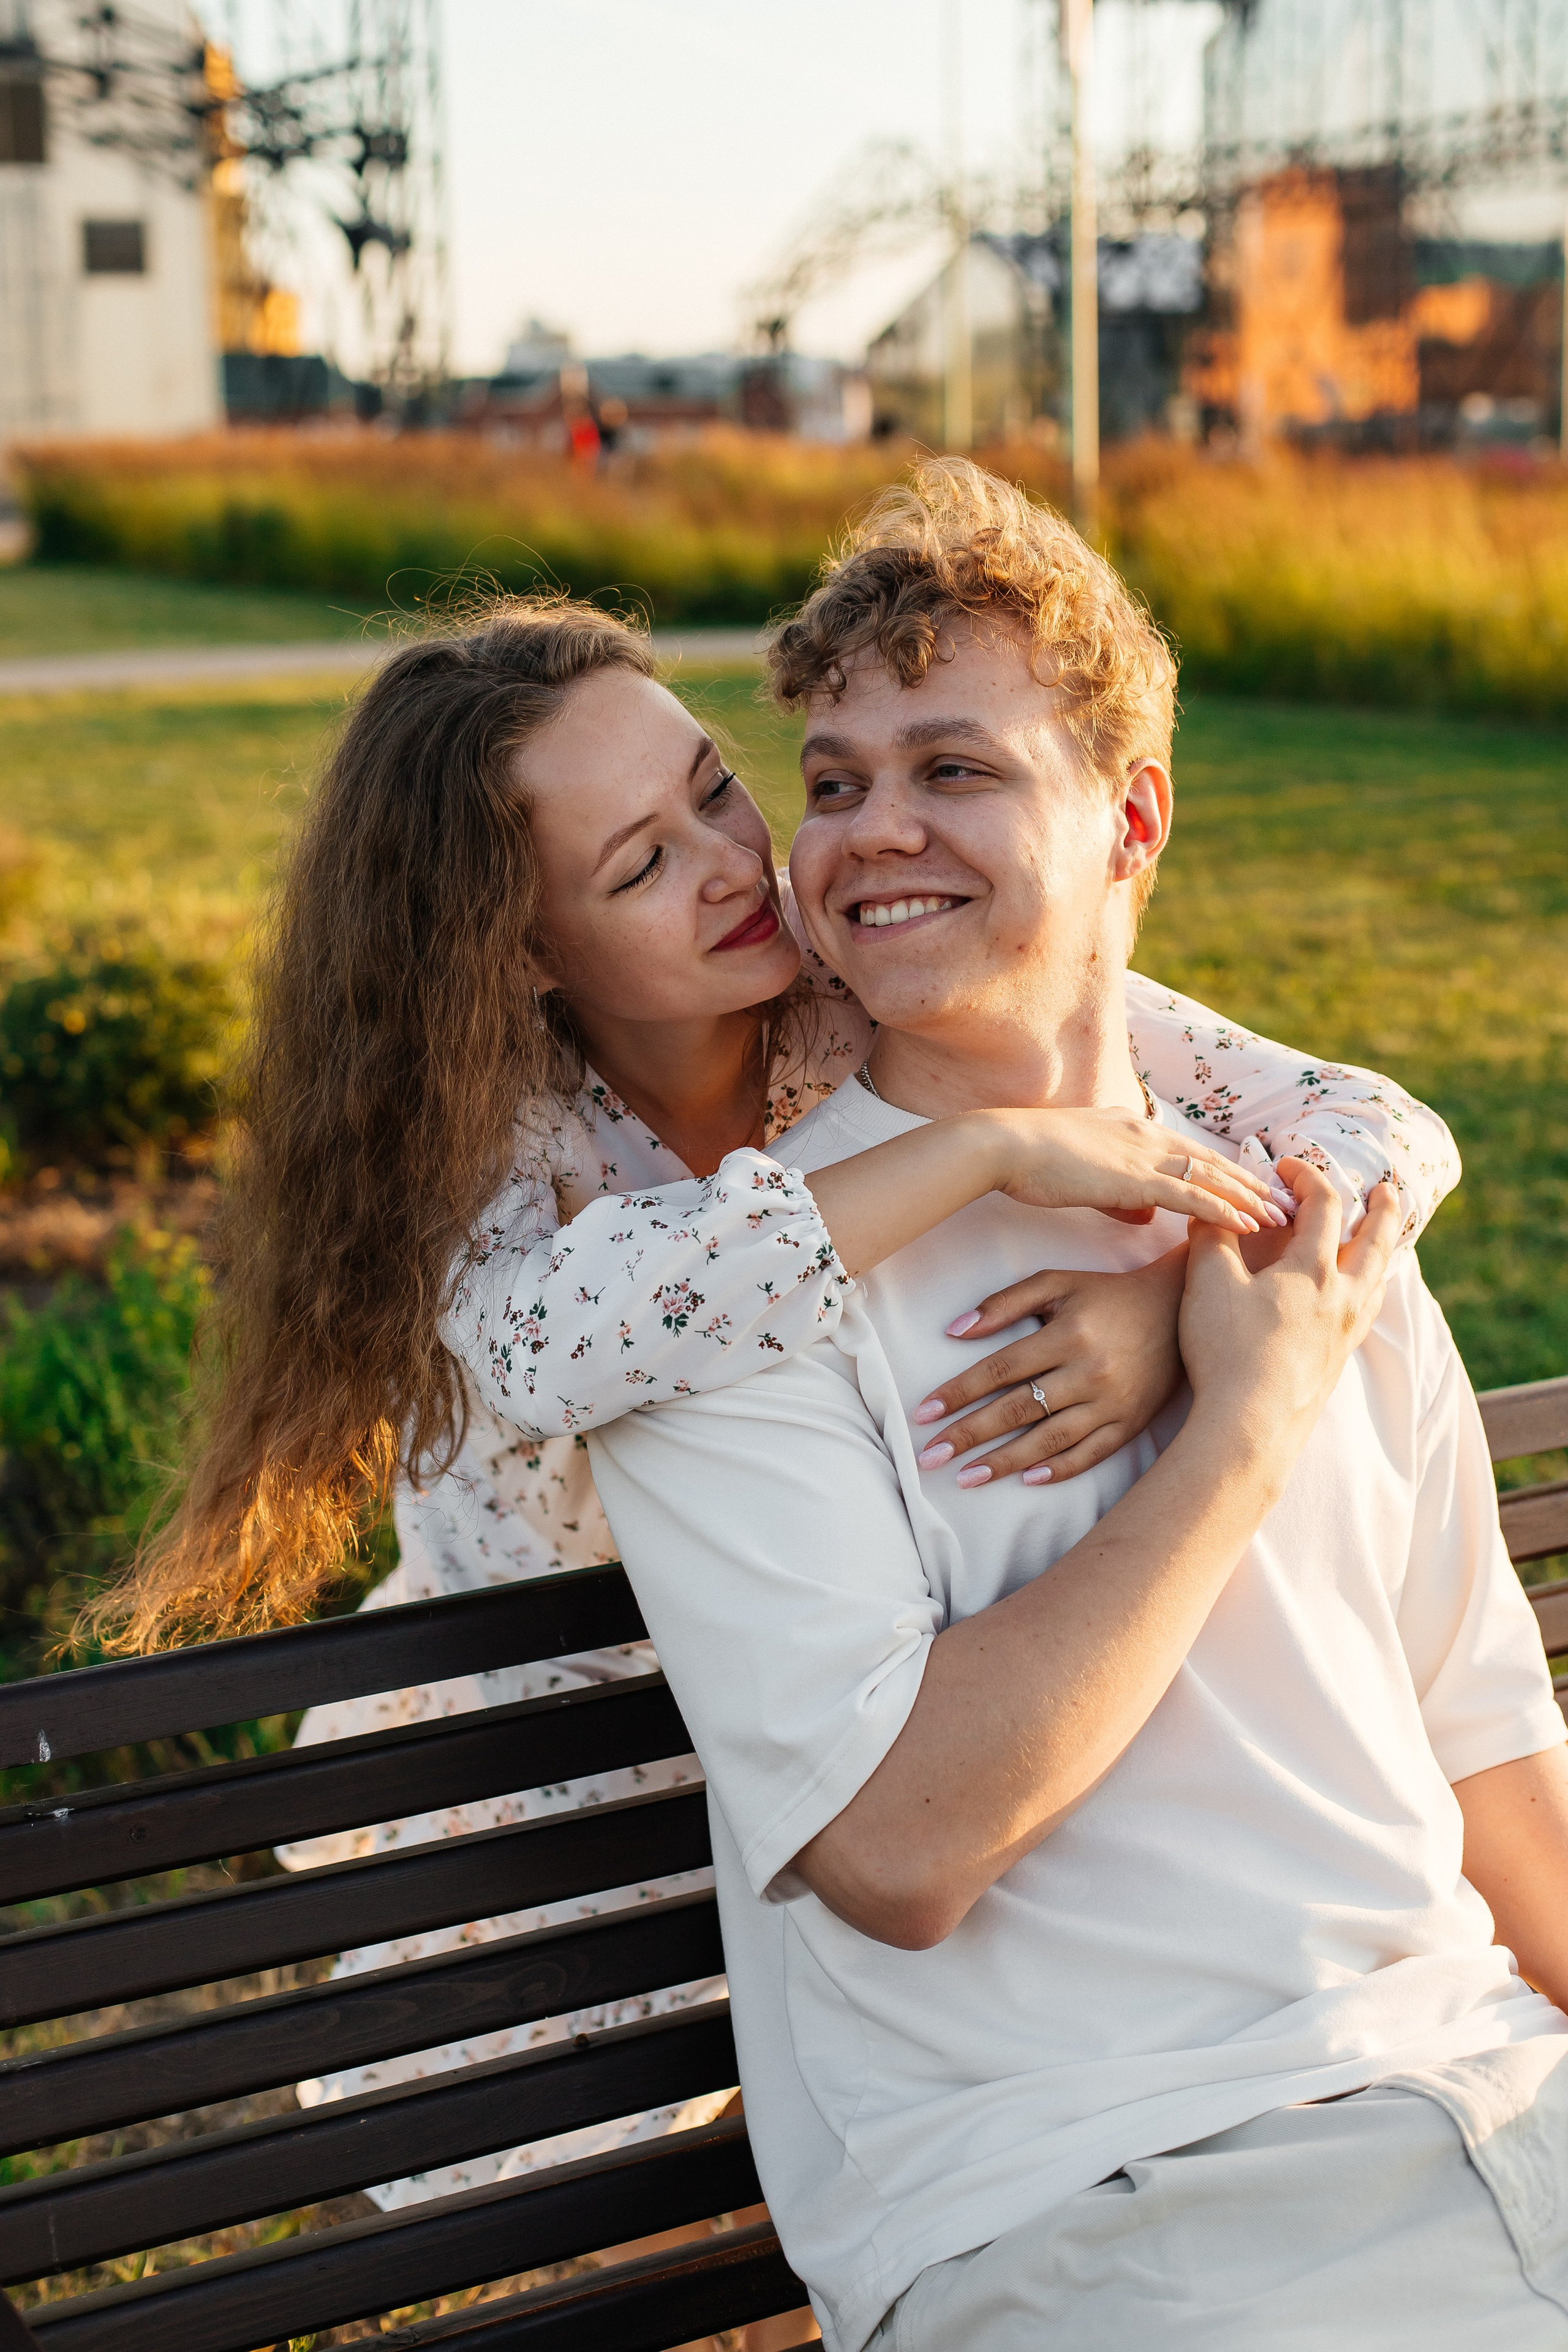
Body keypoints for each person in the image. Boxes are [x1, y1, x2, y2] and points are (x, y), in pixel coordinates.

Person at [104, 582, 1458, 2285]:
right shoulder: (523, 1173)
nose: (733, 863)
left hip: (836, 1738)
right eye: (639, 865)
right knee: (596, 2267)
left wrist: (1169, 1309)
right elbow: (579, 1341)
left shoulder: (841, 990)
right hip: (567, 1812)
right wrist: (978, 1159)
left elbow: (1370, 1123)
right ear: (523, 952)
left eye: (713, 790)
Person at [585, 461, 1568, 2352]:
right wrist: (1242, 1431)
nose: (873, 833)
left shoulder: (1307, 1212)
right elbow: (897, 1851)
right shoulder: (736, 1292)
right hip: (1111, 2206)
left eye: (953, 768)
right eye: (838, 780)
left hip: (1492, 2098)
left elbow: (1488, 1753)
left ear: (1132, 818)